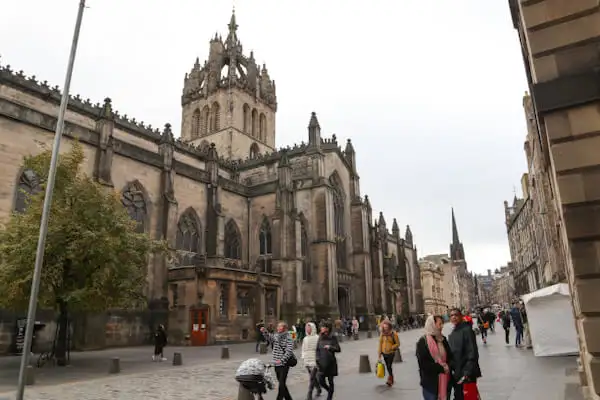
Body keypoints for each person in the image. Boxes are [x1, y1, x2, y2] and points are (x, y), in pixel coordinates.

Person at [448, 308, 481, 400]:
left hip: (466, 374)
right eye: (451, 315)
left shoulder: (467, 330)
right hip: (457, 373)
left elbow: (472, 352)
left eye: (456, 315)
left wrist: (467, 372)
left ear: (461, 317)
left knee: (468, 396)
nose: (454, 317)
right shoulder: (453, 332)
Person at [416, 315, 452, 400]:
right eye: (439, 324)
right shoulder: (423, 342)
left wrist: (449, 366)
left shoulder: (442, 339)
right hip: (430, 384)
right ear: (432, 324)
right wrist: (441, 368)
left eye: (442, 324)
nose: (442, 326)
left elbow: (450, 356)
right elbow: (424, 364)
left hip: (445, 380)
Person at [316, 321, 341, 400]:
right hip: (321, 363)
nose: (321, 328)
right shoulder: (320, 337)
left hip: (331, 363)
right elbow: (317, 349)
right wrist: (317, 358)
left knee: (331, 381)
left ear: (327, 328)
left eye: (322, 327)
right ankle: (329, 391)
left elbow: (338, 349)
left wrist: (330, 347)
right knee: (321, 381)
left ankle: (329, 397)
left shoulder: (333, 337)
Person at [272, 321, 295, 400]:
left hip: (284, 364)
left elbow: (289, 351)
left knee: (281, 383)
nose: (278, 328)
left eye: (280, 326)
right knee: (282, 383)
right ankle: (288, 398)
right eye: (278, 326)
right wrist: (264, 331)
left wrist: (282, 360)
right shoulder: (276, 336)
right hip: (276, 363)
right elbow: (269, 338)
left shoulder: (289, 337)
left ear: (284, 328)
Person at [301, 322, 321, 400]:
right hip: (307, 359)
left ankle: (309, 393)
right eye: (306, 327)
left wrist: (319, 358)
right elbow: (303, 349)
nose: (307, 329)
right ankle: (318, 388)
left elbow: (319, 349)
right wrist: (303, 357)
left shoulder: (317, 338)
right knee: (313, 377)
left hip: (315, 359)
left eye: (309, 327)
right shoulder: (305, 338)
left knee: (312, 377)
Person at [377, 319, 400, 387]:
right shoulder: (382, 334)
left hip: (391, 353)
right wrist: (379, 355)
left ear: (389, 327)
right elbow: (380, 344)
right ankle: (391, 377)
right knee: (387, 366)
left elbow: (398, 344)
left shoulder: (394, 334)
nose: (385, 329)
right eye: (384, 327)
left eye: (386, 327)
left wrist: (392, 347)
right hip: (384, 353)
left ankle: (390, 379)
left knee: (389, 366)